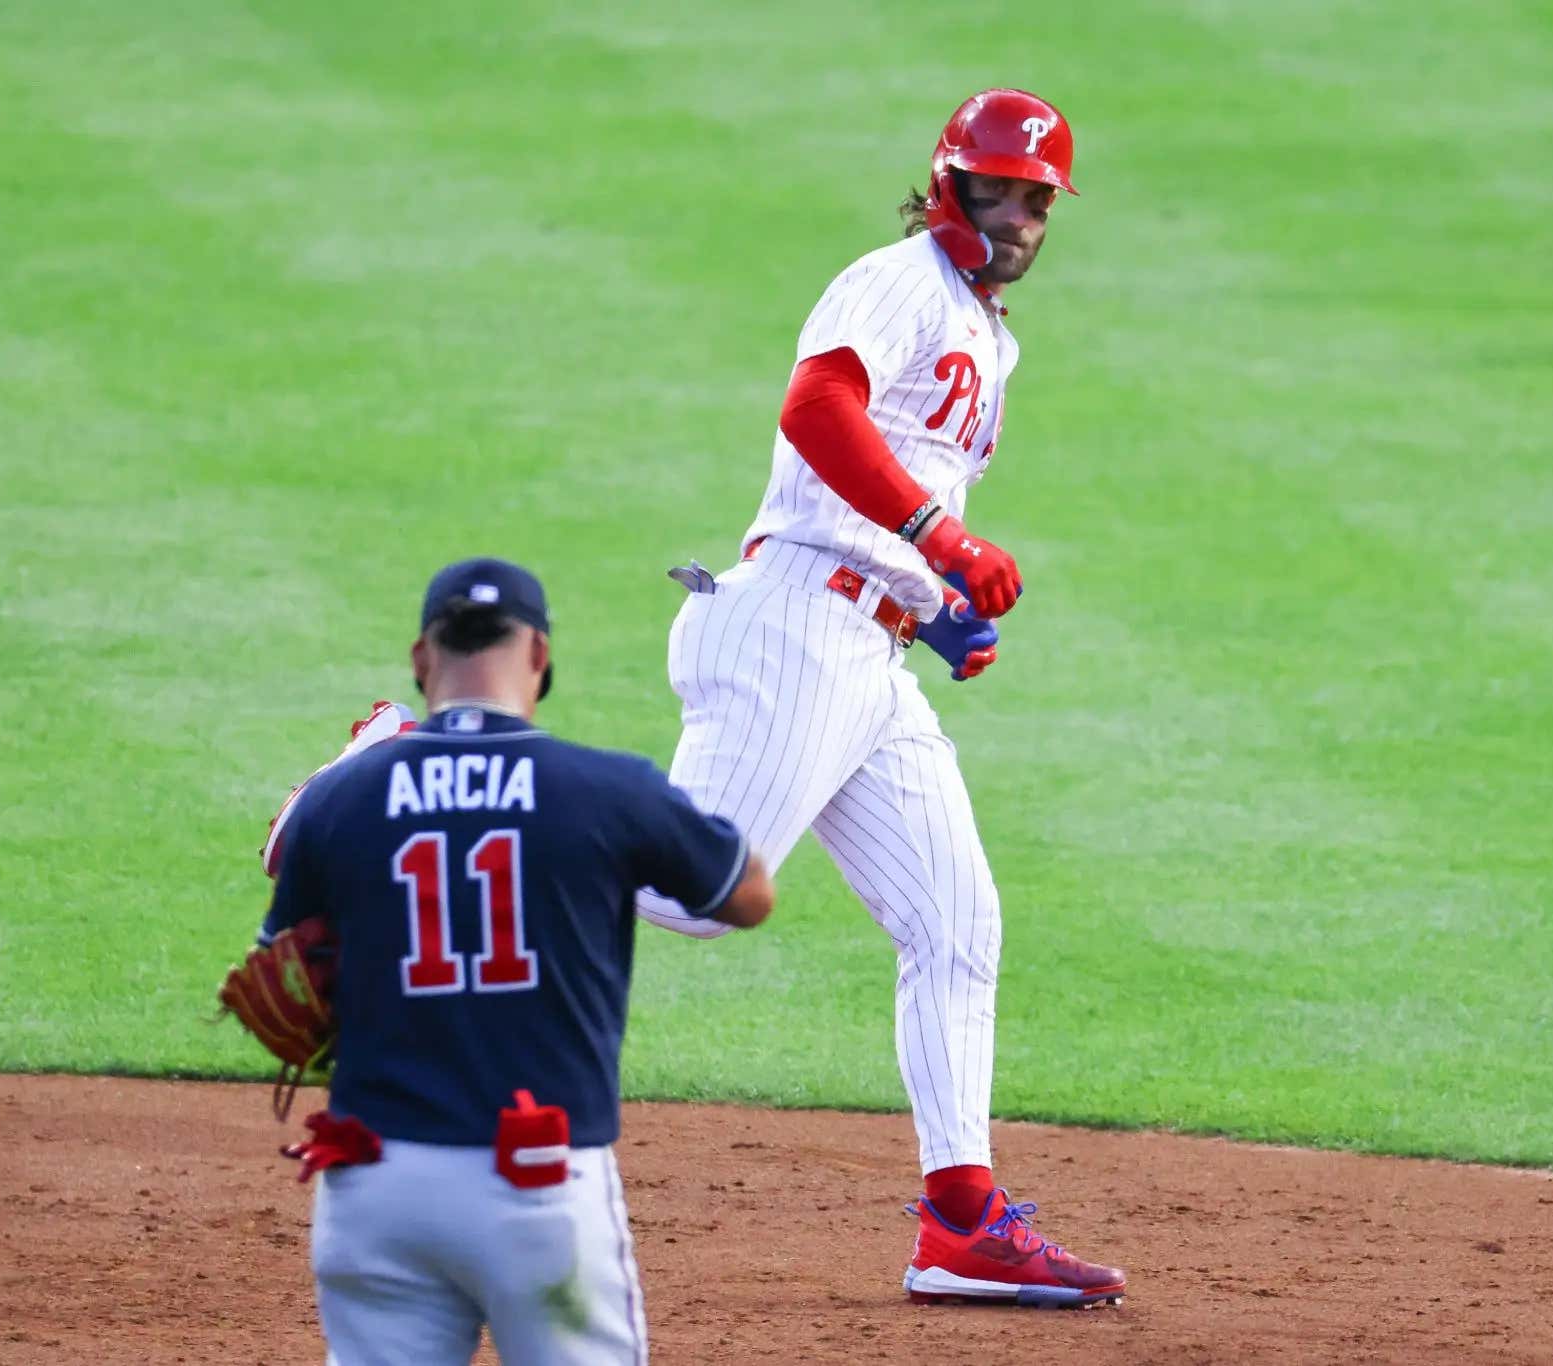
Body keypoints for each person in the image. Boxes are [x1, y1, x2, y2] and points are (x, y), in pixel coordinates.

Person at [635, 89, 1125, 1307]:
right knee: (688, 898)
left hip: (869, 648)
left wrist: (935, 604)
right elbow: (814, 410)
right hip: (797, 623)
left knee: (957, 923)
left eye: (1033, 200)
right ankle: (451, 786)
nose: (1012, 216)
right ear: (944, 184)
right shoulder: (896, 279)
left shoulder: (987, 331)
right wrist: (940, 540)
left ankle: (960, 1220)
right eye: (991, 189)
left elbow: (900, 483)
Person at [259, 557, 774, 1364]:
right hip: (536, 1189)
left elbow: (285, 978)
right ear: (539, 655)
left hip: (374, 1184)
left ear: (422, 660)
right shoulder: (606, 790)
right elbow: (746, 896)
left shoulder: (342, 799)